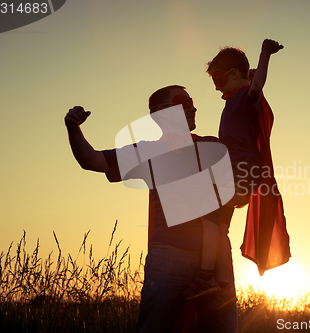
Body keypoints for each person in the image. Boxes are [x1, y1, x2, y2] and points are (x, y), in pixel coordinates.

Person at [64, 85, 238, 333]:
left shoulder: (213, 146)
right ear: (161, 113)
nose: (193, 107)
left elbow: (240, 194)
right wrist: (73, 127)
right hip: (168, 259)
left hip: (217, 257)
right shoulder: (147, 152)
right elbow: (91, 160)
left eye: (192, 101)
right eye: (183, 102)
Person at [182, 39, 291, 306]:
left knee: (207, 220)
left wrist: (264, 54)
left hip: (239, 171)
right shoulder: (235, 100)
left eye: (218, 80)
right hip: (235, 172)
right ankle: (220, 283)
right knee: (219, 225)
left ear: (232, 74)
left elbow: (256, 85)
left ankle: (205, 276)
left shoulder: (245, 97)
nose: (217, 87)